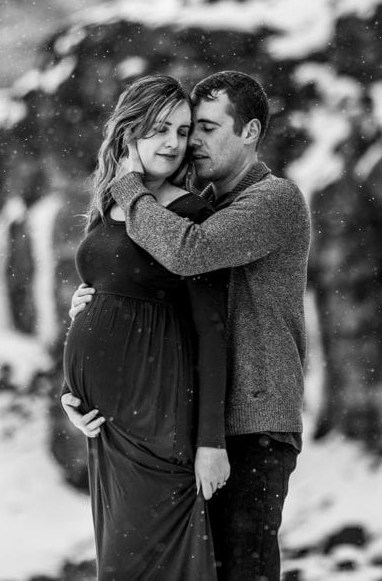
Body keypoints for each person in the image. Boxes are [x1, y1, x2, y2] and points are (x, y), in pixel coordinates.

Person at [66, 70, 310, 581]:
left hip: (251, 422)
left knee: (243, 569)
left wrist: (130, 188)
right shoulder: (197, 201)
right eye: (182, 129)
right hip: (190, 414)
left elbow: (187, 252)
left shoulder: (273, 200)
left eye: (205, 128)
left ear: (250, 133)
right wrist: (100, 305)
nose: (190, 142)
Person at [59, 75, 230, 580]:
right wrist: (85, 315)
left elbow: (211, 330)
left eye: (181, 131)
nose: (173, 143)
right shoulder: (107, 203)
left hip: (158, 415)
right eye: (159, 129)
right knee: (118, 567)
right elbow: (113, 282)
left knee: (148, 566)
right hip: (105, 427)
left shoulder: (189, 212)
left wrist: (211, 443)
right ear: (128, 131)